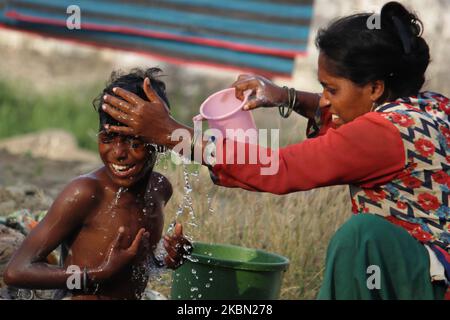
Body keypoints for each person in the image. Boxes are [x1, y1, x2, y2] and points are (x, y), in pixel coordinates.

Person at [100, 2, 449, 299]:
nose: (325, 100)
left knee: (360, 238)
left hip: (431, 278)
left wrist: (173, 134)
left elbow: (278, 168)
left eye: (330, 88)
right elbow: (343, 115)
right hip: (431, 265)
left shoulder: (381, 134)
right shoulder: (430, 108)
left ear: (374, 87)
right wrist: (286, 97)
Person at [4, 68, 191, 300]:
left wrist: (166, 260)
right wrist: (97, 274)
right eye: (108, 138)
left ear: (160, 143)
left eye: (134, 142)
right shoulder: (85, 193)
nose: (118, 153)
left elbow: (136, 267)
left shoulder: (160, 189)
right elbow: (16, 271)